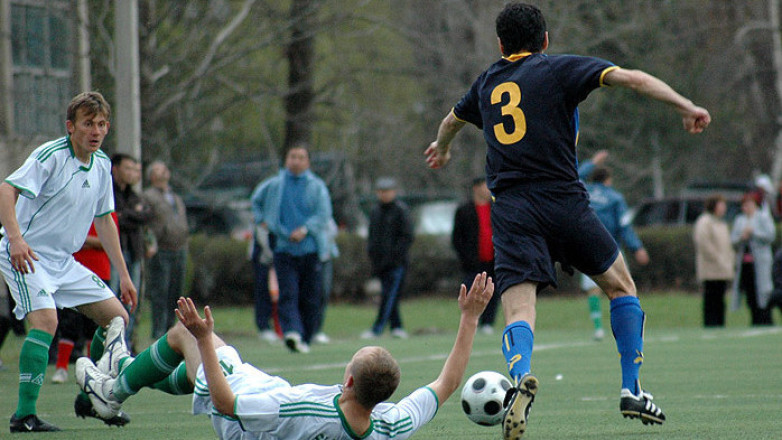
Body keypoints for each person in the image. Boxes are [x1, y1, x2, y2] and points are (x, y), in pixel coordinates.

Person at [423, 3, 710, 437]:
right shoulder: (557, 69)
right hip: (563, 199)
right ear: (545, 41)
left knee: (519, 305)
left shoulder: (486, 82)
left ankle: (520, 381)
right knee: (620, 286)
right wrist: (685, 104)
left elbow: (450, 121)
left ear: (500, 44)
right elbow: (630, 78)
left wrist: (441, 148)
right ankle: (632, 388)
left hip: (513, 209)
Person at [74, 272, 494, 440]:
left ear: (347, 382)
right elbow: (447, 383)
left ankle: (114, 391)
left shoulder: (307, 408)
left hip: (243, 416)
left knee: (185, 334)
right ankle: (127, 369)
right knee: (190, 374)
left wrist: (205, 337)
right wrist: (470, 318)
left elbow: (226, 404)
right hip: (262, 396)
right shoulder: (390, 425)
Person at [0, 91, 138, 432]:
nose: (96, 130)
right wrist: (15, 239)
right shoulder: (51, 155)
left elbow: (105, 220)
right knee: (46, 321)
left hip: (64, 262)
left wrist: (124, 275)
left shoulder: (103, 164)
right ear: (70, 126)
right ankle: (24, 416)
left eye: (102, 124)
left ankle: (94, 396)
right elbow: (6, 190)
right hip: (27, 254)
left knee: (117, 319)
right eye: (88, 123)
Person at [250, 145, 333, 353]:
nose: (296, 161)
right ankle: (291, 332)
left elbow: (324, 214)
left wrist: (305, 230)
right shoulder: (274, 185)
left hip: (310, 250)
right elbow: (256, 201)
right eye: (292, 156)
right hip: (283, 249)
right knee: (288, 292)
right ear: (286, 159)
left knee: (311, 295)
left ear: (308, 162)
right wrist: (263, 221)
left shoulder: (317, 186)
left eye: (301, 157)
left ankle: (306, 336)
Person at [578, 155, 649, 340]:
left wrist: (592, 162)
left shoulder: (583, 190)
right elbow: (624, 226)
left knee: (593, 291)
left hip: (585, 248)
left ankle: (598, 328)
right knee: (622, 290)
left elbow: (575, 175)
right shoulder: (616, 198)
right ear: (608, 180)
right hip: (611, 249)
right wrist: (637, 248)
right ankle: (628, 332)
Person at [51, 215, 117, 384]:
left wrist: (82, 239)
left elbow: (107, 242)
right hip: (71, 273)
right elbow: (63, 239)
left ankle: (92, 370)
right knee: (68, 322)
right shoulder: (76, 207)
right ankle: (61, 368)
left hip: (99, 273)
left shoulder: (105, 211)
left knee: (94, 326)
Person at [111, 153, 153, 351]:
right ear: (115, 169)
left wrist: (126, 215)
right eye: (128, 168)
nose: (132, 173)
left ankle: (126, 345)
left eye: (134, 169)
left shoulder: (134, 195)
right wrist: (131, 215)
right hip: (115, 254)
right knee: (112, 299)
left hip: (134, 253)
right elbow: (114, 220)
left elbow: (146, 215)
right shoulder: (108, 193)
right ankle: (110, 345)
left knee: (132, 301)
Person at [363, 177, 415, 340]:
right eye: (381, 191)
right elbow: (372, 237)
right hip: (380, 263)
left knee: (389, 295)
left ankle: (378, 328)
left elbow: (407, 236)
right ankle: (397, 326)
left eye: (387, 191)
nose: (384, 195)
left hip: (396, 263)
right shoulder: (375, 211)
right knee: (389, 294)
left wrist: (395, 256)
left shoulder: (401, 210)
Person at [144, 161, 189, 339]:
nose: (163, 172)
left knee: (175, 293)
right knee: (160, 292)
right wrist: (150, 242)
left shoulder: (174, 197)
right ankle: (159, 331)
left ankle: (173, 330)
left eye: (165, 168)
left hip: (179, 248)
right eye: (158, 170)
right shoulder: (148, 196)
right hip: (161, 250)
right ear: (152, 176)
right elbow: (146, 224)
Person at [452, 177, 501, 334]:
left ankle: (488, 322)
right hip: (473, 262)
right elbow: (457, 238)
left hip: (493, 260)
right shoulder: (464, 210)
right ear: (476, 188)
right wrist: (466, 257)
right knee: (470, 290)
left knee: (493, 290)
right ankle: (471, 320)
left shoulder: (496, 208)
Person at [730, 191, 775, 325]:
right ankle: (754, 318)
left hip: (760, 263)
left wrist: (754, 233)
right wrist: (741, 237)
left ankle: (765, 320)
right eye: (744, 205)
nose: (746, 208)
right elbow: (733, 240)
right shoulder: (740, 220)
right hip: (745, 265)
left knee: (763, 292)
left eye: (749, 204)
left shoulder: (763, 217)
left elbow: (770, 236)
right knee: (749, 292)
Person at [693, 194, 735, 327]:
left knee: (720, 299)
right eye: (721, 205)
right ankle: (710, 324)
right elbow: (704, 243)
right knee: (711, 299)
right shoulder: (704, 222)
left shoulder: (720, 223)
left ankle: (720, 324)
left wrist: (729, 260)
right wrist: (718, 259)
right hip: (711, 269)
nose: (724, 208)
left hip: (722, 269)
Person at [313, 217, 340, 344]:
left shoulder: (323, 207)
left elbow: (332, 230)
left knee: (323, 292)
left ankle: (317, 329)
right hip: (308, 256)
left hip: (324, 256)